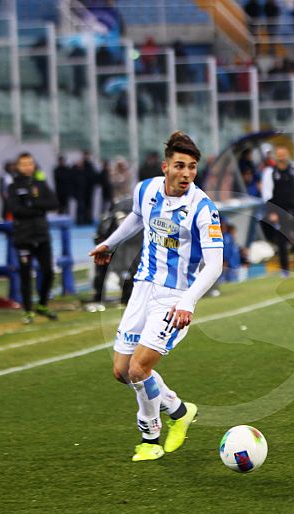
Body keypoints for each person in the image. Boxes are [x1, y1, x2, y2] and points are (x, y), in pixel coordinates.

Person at [89, 131, 224, 462]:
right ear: (165, 166)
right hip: (142, 288)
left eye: (192, 167)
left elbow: (215, 264)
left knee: (139, 369)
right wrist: (112, 242)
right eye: (180, 166)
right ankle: (180, 411)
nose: (186, 174)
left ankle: (150, 437)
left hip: (173, 298)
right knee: (122, 371)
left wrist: (187, 302)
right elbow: (137, 217)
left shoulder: (203, 208)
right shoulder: (146, 190)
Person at [6, 152, 59, 324]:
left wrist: (32, 203)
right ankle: (28, 310)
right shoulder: (13, 186)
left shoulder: (40, 183)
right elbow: (15, 210)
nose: (28, 167)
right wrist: (37, 208)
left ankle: (42, 304)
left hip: (42, 234)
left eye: (30, 163)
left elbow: (53, 203)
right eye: (24, 164)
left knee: (49, 272)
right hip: (23, 236)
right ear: (18, 166)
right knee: (25, 275)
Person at [260, 146, 294, 277]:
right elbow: (267, 194)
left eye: (284, 155)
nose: (282, 158)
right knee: (282, 239)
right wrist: (271, 211)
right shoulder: (270, 172)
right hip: (279, 209)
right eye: (279, 155)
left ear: (287, 155)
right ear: (276, 157)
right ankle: (285, 270)